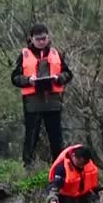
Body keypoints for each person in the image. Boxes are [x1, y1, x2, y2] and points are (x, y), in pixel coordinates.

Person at [12, 23, 74, 167]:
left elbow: (68, 73)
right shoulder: (23, 55)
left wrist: (59, 78)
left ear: (48, 38)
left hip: (53, 102)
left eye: (44, 38)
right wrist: (28, 81)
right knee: (31, 136)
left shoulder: (56, 53)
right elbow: (15, 78)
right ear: (31, 39)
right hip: (32, 103)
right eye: (38, 39)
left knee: (56, 137)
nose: (41, 42)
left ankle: (59, 167)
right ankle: (28, 166)